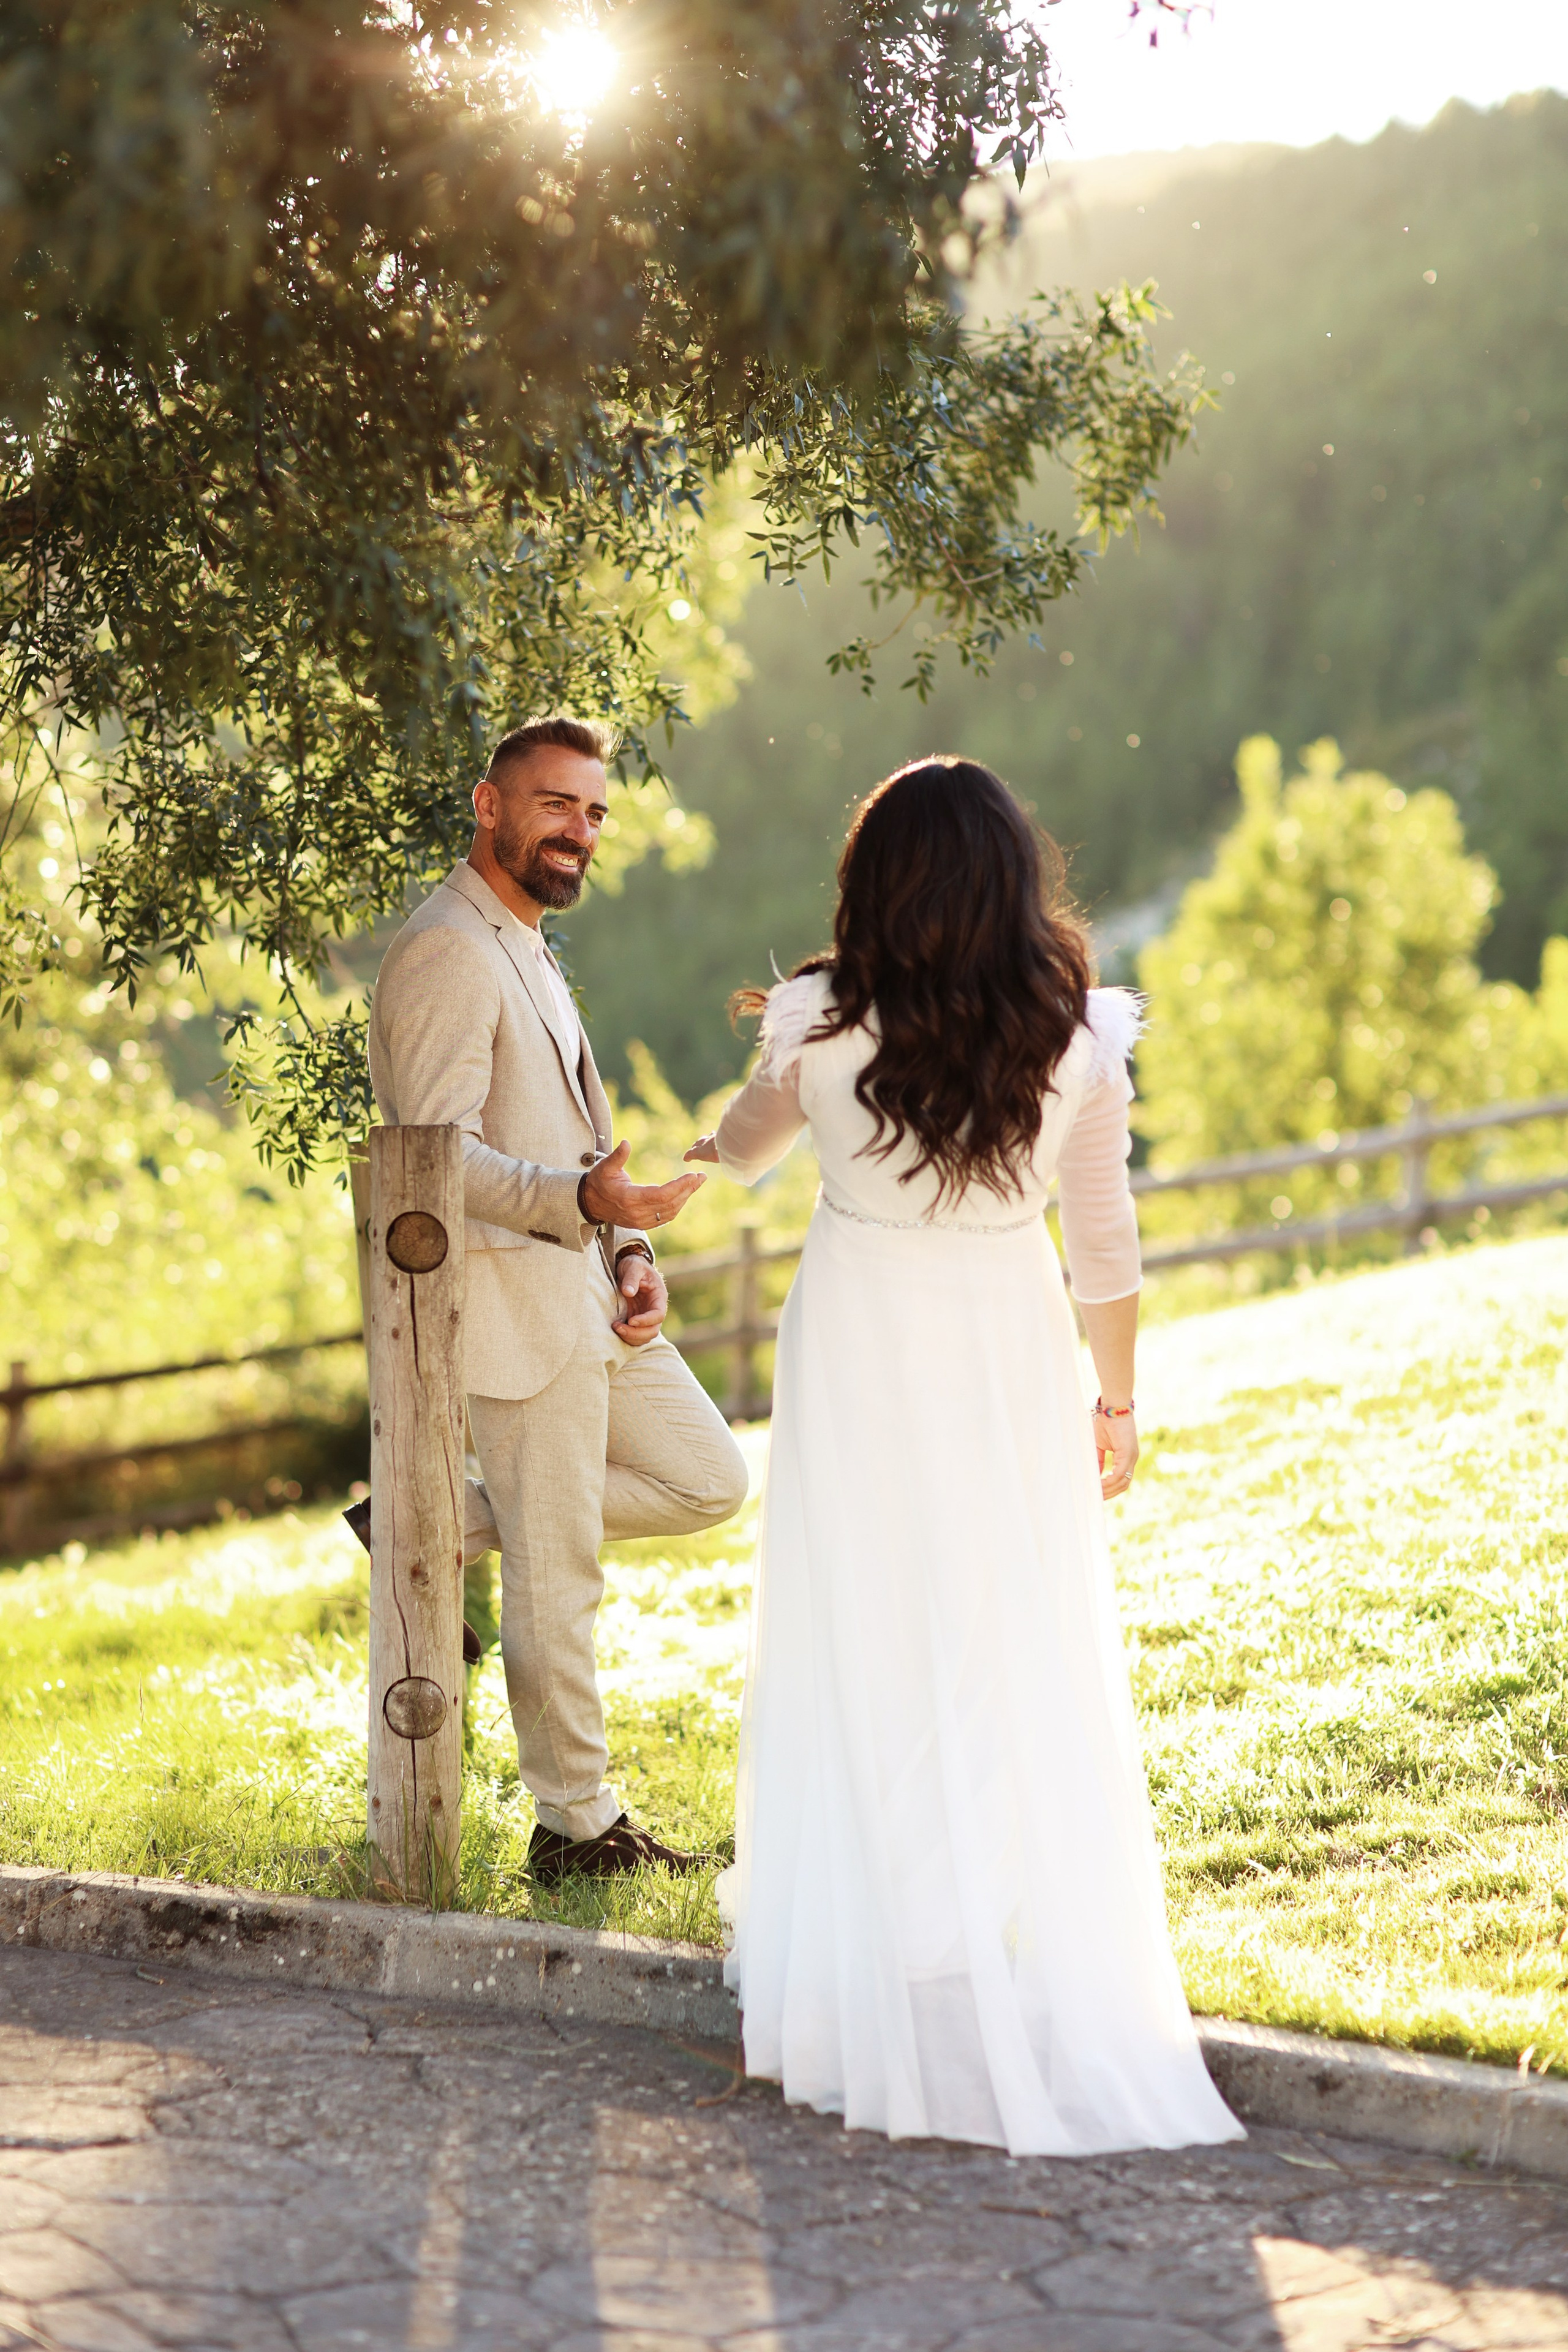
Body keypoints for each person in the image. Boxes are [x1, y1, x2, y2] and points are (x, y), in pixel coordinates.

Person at [685, 756, 1240, 2157]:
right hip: (1005, 1340)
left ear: (873, 885)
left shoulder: (820, 1023)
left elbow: (743, 1154)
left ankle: (891, 1933)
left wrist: (669, 1167)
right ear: (1013, 879)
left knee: (862, 1619)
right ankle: (969, 1912)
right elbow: (1102, 1247)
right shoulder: (1074, 1040)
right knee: (1007, 1624)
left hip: (861, 1335)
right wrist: (1110, 1404)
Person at [368, 715, 749, 1884]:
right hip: (512, 1319)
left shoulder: (521, 940)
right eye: (554, 805)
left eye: (593, 812)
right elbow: (429, 1164)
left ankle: (433, 1516)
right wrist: (581, 1203)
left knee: (710, 1478)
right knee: (559, 1581)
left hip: (588, 1293)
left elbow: (578, 1141)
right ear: (489, 807)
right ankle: (576, 1827)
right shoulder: (447, 949)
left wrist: (627, 1245)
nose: (579, 830)